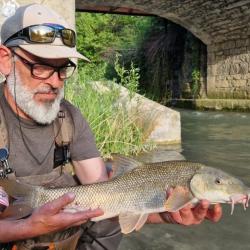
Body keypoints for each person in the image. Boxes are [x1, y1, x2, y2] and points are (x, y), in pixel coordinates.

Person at [0, 3, 222, 250]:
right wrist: (28, 226)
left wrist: (166, 212)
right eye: (40, 67)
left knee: (106, 217)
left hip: (54, 236)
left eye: (63, 69)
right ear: (5, 60)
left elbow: (110, 196)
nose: (55, 82)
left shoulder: (69, 117)